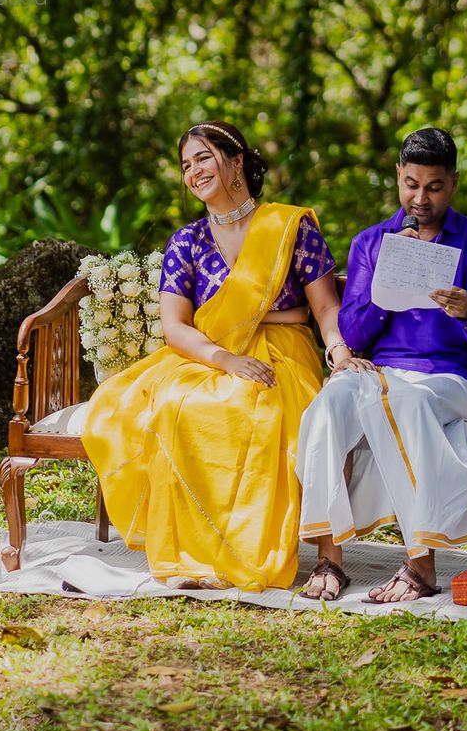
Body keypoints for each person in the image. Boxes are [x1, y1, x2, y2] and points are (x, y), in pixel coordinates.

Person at [81, 120, 361, 591]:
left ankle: (319, 559)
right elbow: (174, 327)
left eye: (203, 158)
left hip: (283, 353)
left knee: (272, 411)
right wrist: (226, 360)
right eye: (186, 165)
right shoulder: (186, 242)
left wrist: (337, 349)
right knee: (175, 408)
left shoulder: (290, 227)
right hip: (208, 355)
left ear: (235, 163)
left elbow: (325, 305)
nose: (193, 171)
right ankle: (198, 557)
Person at [296, 126, 467, 603]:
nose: (421, 197)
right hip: (384, 373)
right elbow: (351, 335)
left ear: (453, 183)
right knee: (330, 402)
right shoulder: (371, 243)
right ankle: (329, 560)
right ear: (398, 176)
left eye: (434, 186)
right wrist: (387, 289)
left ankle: (421, 565)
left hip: (456, 378)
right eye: (411, 184)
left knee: (406, 400)